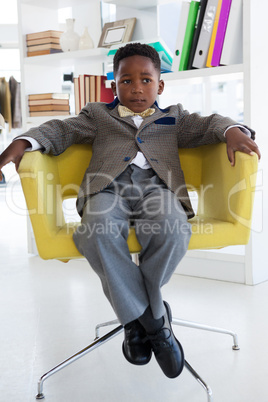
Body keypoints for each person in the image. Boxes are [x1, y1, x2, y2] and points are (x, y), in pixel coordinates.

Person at [0, 43, 260, 379]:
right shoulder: (97, 115)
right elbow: (59, 130)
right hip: (108, 189)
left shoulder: (175, 118)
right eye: (126, 81)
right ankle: (154, 322)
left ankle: (135, 320)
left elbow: (211, 122)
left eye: (145, 80)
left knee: (174, 229)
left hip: (157, 189)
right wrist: (22, 142)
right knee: (97, 230)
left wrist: (234, 131)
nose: (136, 88)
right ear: (114, 85)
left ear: (160, 85)